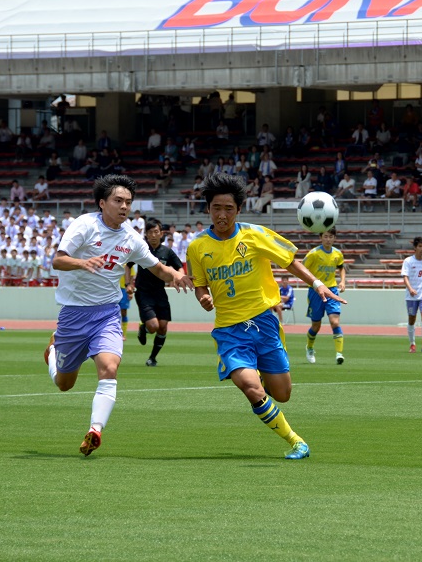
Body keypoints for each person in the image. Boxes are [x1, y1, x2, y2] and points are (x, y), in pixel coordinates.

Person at [186, 172, 344, 460]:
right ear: (207, 208)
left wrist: (318, 284)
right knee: (250, 387)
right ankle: (297, 442)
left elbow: (290, 262)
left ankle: (259, 374)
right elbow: (199, 284)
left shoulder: (255, 234)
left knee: (282, 394)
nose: (222, 215)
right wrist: (203, 297)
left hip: (263, 324)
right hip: (229, 330)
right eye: (216, 208)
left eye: (228, 209)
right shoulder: (197, 247)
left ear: (238, 209)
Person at [44, 175, 192, 457]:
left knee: (109, 369)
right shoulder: (84, 226)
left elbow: (157, 268)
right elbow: (58, 260)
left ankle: (95, 430)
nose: (124, 207)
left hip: (107, 314)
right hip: (73, 315)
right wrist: (82, 262)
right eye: (118, 200)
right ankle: (53, 351)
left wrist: (177, 275)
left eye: (128, 202)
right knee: (64, 384)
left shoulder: (131, 238)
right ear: (102, 203)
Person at [132, 218, 183, 367]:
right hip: (144, 293)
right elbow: (128, 265)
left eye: (156, 232)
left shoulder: (167, 252)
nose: (153, 235)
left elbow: (179, 267)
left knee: (163, 326)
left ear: (161, 234)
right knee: (153, 326)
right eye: (150, 232)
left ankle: (152, 358)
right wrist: (129, 283)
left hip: (160, 293)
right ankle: (144, 328)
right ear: (146, 234)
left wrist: (180, 277)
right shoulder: (141, 249)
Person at [303, 228, 347, 365]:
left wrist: (343, 281)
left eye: (331, 236)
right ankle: (309, 347)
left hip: (332, 290)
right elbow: (302, 268)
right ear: (321, 237)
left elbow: (341, 267)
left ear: (334, 238)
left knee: (335, 322)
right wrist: (313, 282)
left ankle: (339, 354)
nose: (328, 239)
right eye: (325, 236)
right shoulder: (314, 254)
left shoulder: (337, 253)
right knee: (316, 325)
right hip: (316, 291)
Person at [401, 236, 422, 353]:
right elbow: (405, 277)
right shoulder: (408, 261)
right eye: (420, 246)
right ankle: (412, 344)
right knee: (412, 319)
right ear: (415, 247)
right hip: (412, 296)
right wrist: (410, 289)